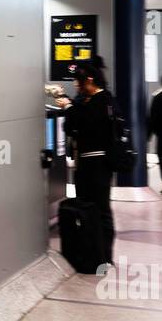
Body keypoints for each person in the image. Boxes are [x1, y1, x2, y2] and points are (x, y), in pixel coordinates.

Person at [63, 65, 116, 258]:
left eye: (79, 80)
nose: (76, 85)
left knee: (101, 209)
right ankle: (91, 251)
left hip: (99, 164)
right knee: (86, 206)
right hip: (85, 164)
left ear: (90, 79)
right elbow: (71, 127)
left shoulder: (104, 100)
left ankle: (104, 256)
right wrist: (71, 108)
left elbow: (85, 122)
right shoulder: (88, 101)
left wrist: (69, 107)